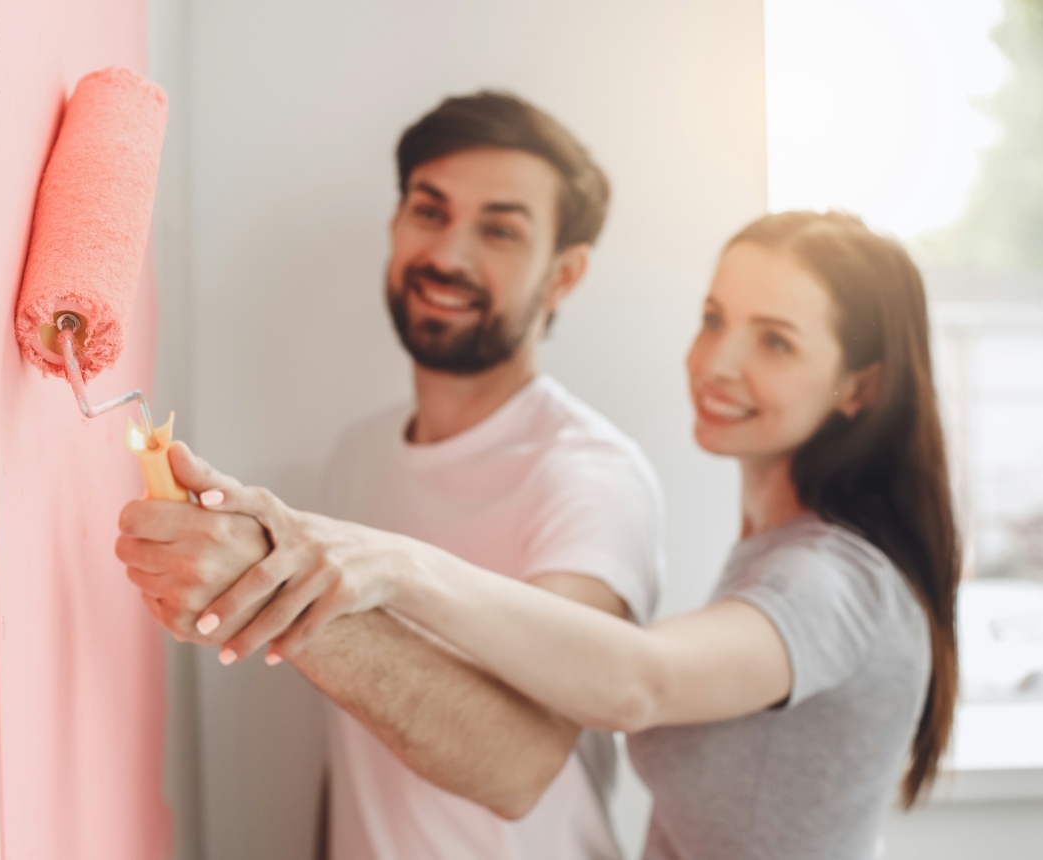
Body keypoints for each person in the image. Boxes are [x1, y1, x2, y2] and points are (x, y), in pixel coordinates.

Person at [166, 210, 961, 860]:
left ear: (861, 385)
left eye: (775, 341)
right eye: (714, 318)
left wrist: (394, 565)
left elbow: (636, 684)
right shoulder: (777, 551)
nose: (717, 361)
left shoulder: (833, 579)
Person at [117, 92, 666, 860]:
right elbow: (361, 756)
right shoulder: (359, 456)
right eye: (429, 211)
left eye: (501, 229)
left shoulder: (587, 478)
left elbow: (520, 765)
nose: (448, 254)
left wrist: (275, 585)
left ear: (564, 274)